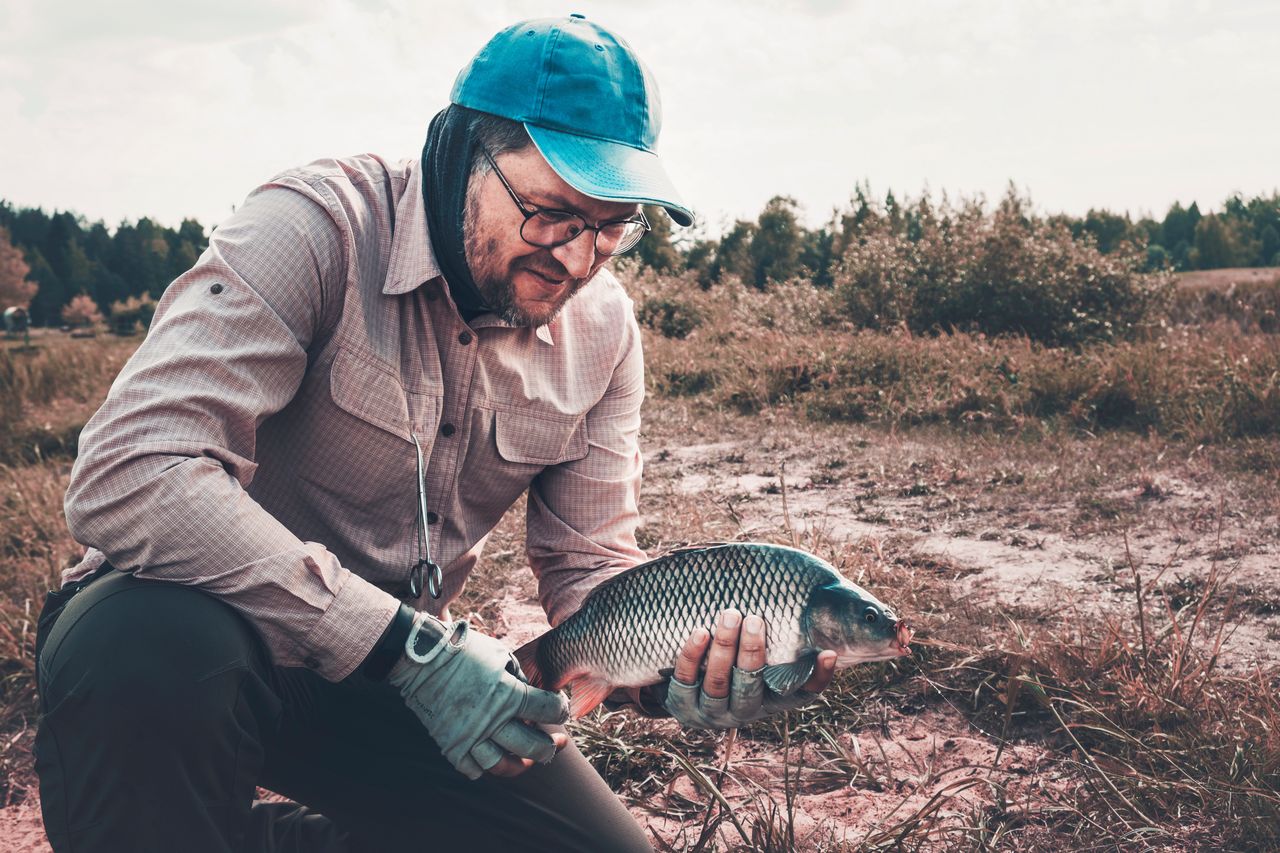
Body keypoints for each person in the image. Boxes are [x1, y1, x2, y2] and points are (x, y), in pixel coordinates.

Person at [33, 13, 836, 852]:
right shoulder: (314, 228)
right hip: (200, 641)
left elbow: (589, 569)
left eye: (611, 227)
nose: (575, 258)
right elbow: (132, 470)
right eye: (553, 212)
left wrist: (673, 671)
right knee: (146, 644)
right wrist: (405, 647)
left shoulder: (605, 332)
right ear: (461, 152)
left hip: (396, 681)